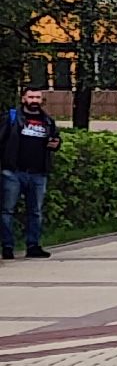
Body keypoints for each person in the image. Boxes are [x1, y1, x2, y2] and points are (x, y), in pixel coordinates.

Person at [0, 86, 62, 260]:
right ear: (23, 99)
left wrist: (56, 144)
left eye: (37, 97)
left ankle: (33, 245)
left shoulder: (47, 121)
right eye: (31, 97)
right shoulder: (11, 118)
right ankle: (7, 246)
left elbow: (55, 140)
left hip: (38, 173)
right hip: (13, 172)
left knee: (35, 211)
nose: (34, 100)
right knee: (7, 210)